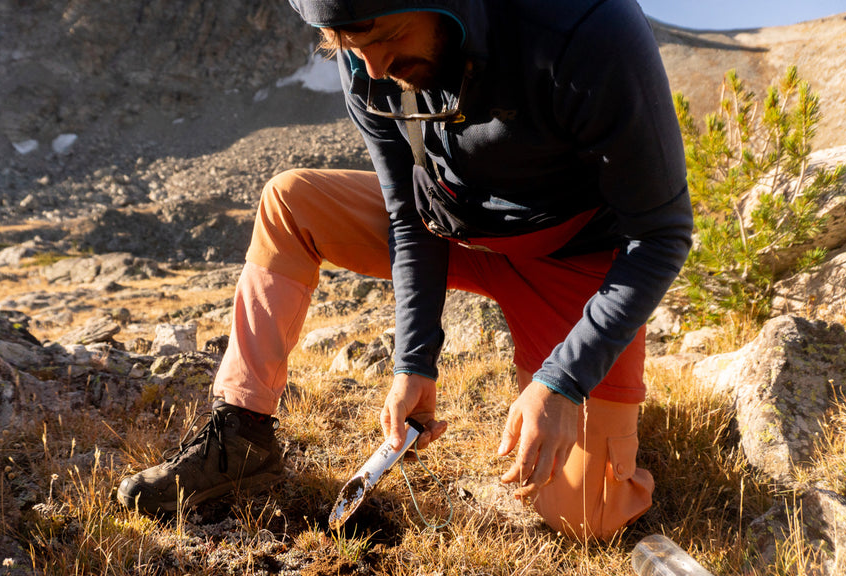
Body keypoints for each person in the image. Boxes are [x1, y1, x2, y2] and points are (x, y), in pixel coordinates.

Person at [118, 0, 693, 541]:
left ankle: (608, 413)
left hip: (570, 261)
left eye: (387, 38)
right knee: (288, 201)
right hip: (450, 230)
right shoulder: (367, 57)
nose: (374, 67)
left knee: (587, 516)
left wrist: (563, 382)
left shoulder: (588, 30)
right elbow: (405, 214)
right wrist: (414, 362)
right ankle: (241, 434)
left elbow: (660, 233)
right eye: (347, 45)